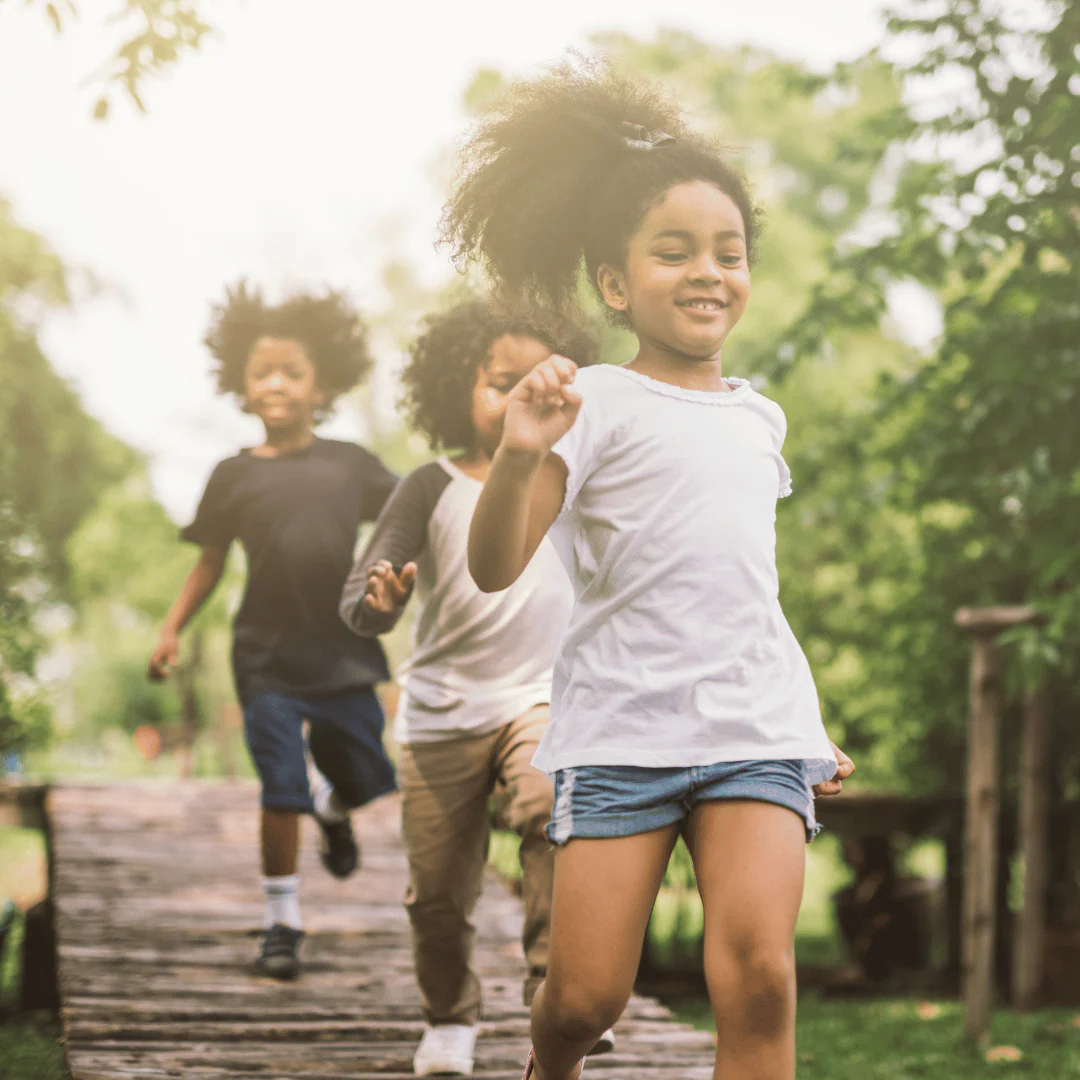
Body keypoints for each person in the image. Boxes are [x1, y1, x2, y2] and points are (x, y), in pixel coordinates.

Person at [442, 60, 856, 1080]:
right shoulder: (592, 402)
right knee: (585, 998)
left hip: (752, 731)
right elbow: (495, 566)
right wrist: (521, 451)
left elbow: (740, 586)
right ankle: (552, 1065)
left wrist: (805, 722)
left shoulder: (761, 417)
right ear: (618, 283)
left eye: (729, 250)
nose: (709, 270)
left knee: (760, 978)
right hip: (624, 732)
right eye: (675, 253)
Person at [339, 299, 609, 1078]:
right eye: (498, 382)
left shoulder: (575, 481)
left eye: (536, 380)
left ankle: (556, 1001)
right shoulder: (430, 484)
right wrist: (377, 601)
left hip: (542, 698)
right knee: (437, 892)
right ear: (460, 389)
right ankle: (449, 1017)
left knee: (550, 816)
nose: (518, 396)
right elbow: (359, 593)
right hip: (442, 711)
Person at [148, 282, 398, 981]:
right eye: (264, 373)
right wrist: (170, 629)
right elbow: (209, 563)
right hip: (265, 657)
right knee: (278, 784)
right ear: (242, 386)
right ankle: (281, 921)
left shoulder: (352, 464)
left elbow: (413, 515)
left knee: (370, 775)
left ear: (322, 385)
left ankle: (334, 805)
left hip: (345, 650)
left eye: (293, 371)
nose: (278, 383)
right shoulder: (231, 476)